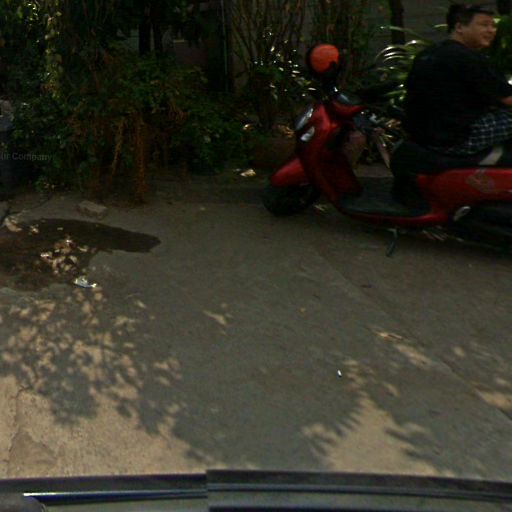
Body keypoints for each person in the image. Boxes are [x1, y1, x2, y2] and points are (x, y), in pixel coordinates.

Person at [403, 3, 512, 156]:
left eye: (493, 26)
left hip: (423, 139)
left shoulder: (428, 54)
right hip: (458, 139)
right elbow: (508, 99)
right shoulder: (467, 58)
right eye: (484, 25)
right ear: (460, 27)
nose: (491, 30)